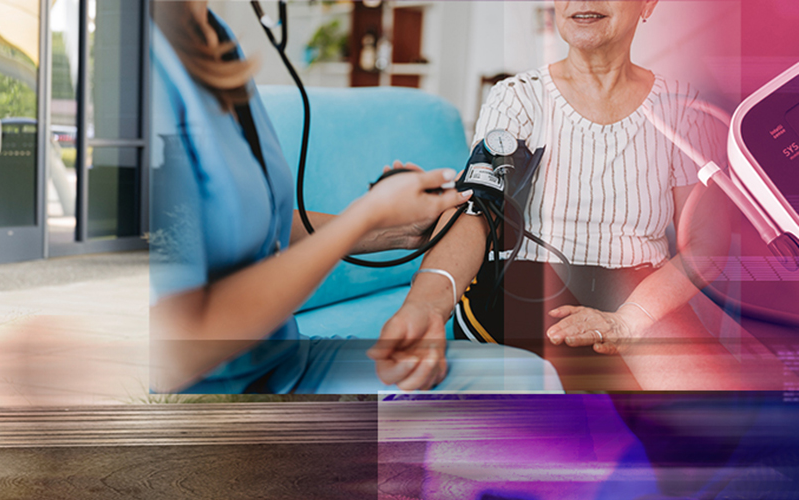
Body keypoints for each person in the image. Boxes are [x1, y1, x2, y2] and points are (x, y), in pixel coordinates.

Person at [150, 1, 560, 394]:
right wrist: (365, 215)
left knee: (527, 378)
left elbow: (260, 232)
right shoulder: (148, 71)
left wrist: (396, 230)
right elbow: (181, 351)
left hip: (287, 365)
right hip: (205, 397)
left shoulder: (217, 41)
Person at [380, 0, 785, 391]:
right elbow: (477, 215)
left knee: (714, 424)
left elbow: (705, 242)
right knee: (585, 424)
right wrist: (427, 306)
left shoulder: (682, 107)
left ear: (648, 3)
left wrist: (629, 320)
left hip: (639, 286)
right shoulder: (517, 98)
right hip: (526, 275)